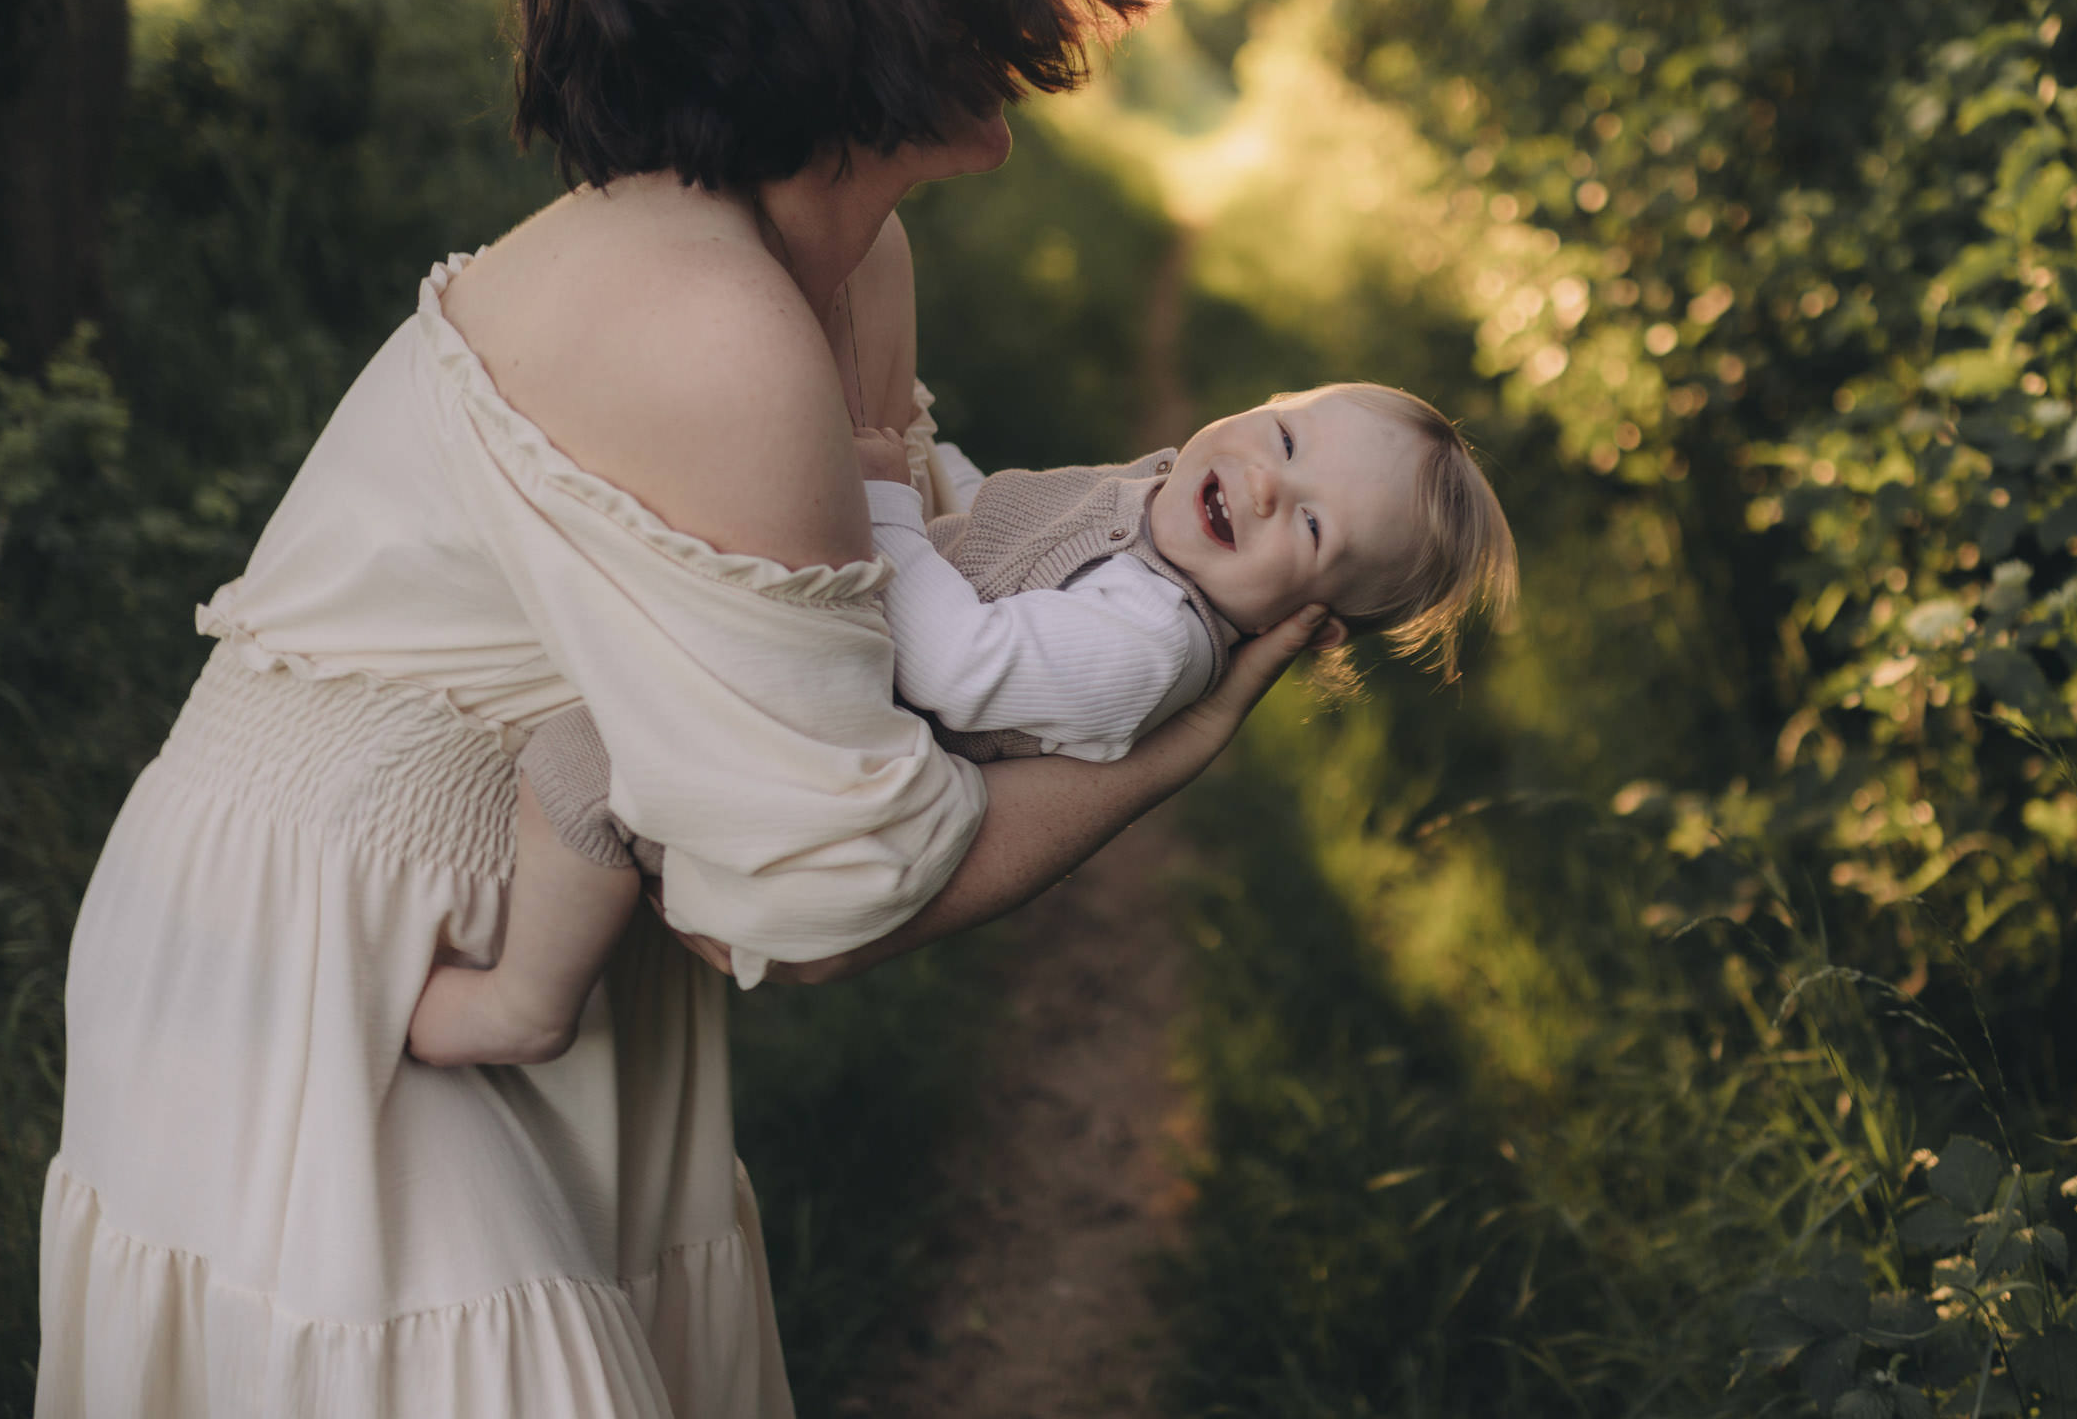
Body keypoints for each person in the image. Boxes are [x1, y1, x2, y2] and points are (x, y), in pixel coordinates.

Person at [30, 0, 1323, 1419]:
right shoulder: (708, 322)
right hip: (324, 950)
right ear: (828, 4)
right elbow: (811, 896)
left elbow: (899, 648)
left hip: (525, 920)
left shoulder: (855, 265)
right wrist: (1180, 739)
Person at [407, 381, 1519, 1068]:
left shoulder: (1152, 643)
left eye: (1314, 525)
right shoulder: (1154, 505)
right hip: (842, 680)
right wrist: (943, 479)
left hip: (838, 756)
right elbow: (1011, 529)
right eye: (1284, 437)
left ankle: (527, 1001)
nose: (1271, 485)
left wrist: (879, 492)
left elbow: (957, 660)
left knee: (584, 757)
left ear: (1310, 625)